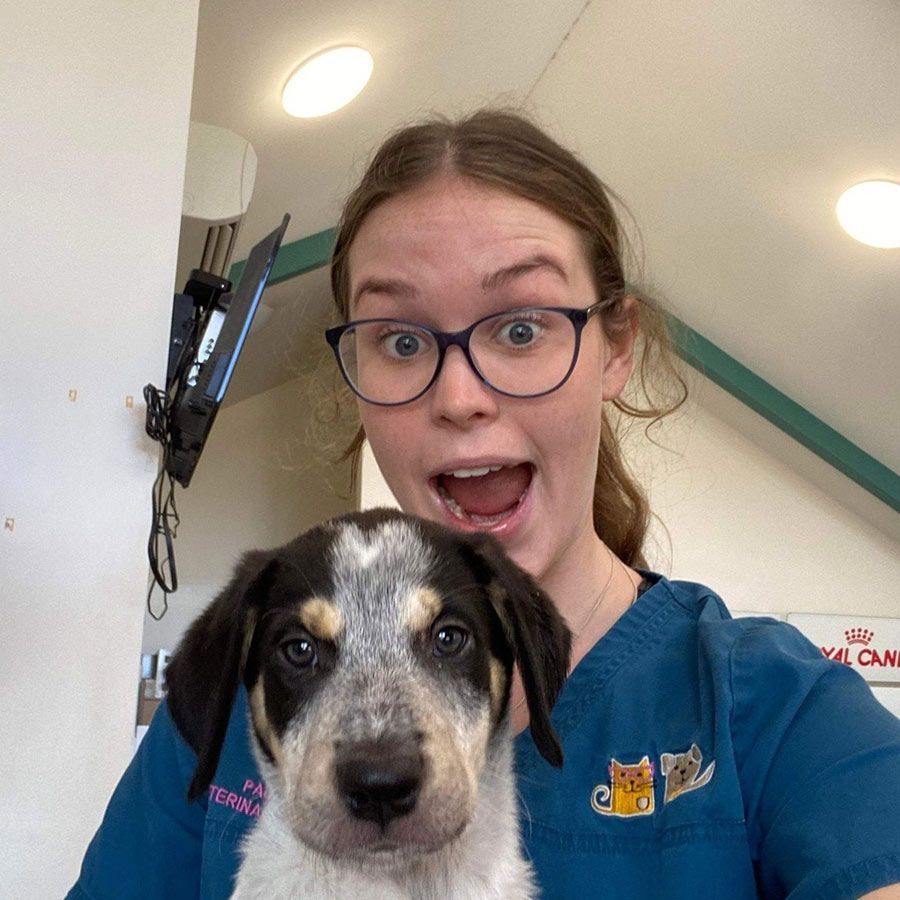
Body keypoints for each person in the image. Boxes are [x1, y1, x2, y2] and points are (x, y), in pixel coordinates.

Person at [69, 109, 900, 900]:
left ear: (615, 347)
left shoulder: (769, 708)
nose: (460, 396)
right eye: (400, 340)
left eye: (521, 326)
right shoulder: (226, 700)